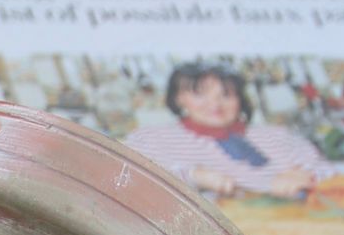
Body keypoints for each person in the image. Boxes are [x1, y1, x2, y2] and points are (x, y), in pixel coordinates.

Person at [126, 63, 325, 199]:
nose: (215, 104)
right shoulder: (149, 138)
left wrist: (306, 178)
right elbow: (127, 179)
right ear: (179, 98)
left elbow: (328, 173)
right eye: (200, 94)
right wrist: (194, 176)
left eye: (227, 95)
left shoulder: (276, 137)